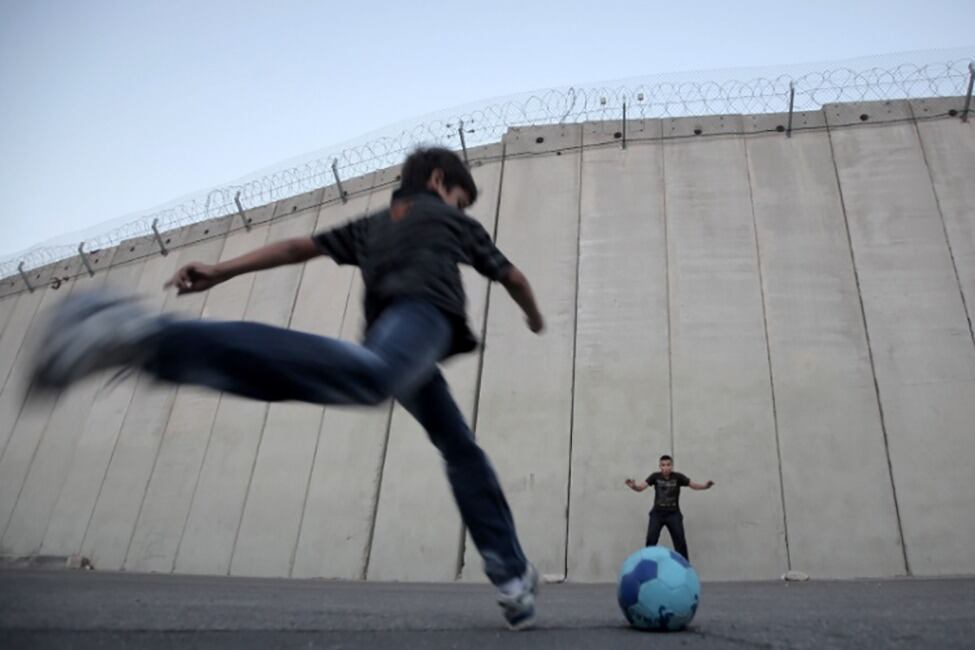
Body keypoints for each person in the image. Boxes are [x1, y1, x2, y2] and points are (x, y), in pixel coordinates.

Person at [29, 147, 545, 631]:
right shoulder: (451, 220)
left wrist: (222, 269)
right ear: (439, 181)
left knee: (456, 444)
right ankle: (146, 337)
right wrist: (534, 318)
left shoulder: (376, 223)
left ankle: (512, 572)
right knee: (373, 380)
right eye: (460, 196)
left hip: (399, 341)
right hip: (420, 324)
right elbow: (514, 277)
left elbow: (301, 247)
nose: (460, 207)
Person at [624, 455, 714, 562]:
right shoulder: (655, 476)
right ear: (660, 466)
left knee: (680, 541)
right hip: (657, 514)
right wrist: (633, 486)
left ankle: (684, 566)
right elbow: (640, 488)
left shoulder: (678, 477)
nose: (666, 467)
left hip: (673, 514)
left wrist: (705, 486)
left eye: (668, 465)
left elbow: (692, 485)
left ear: (671, 466)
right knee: (651, 540)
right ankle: (647, 564)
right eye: (663, 465)